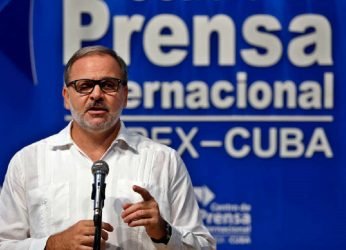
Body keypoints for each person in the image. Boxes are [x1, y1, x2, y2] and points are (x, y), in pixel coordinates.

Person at [0, 45, 216, 249]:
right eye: (84, 86)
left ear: (125, 96)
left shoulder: (164, 160)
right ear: (66, 97)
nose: (96, 95)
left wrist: (164, 231)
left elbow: (205, 246)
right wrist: (52, 244)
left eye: (108, 85)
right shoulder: (28, 162)